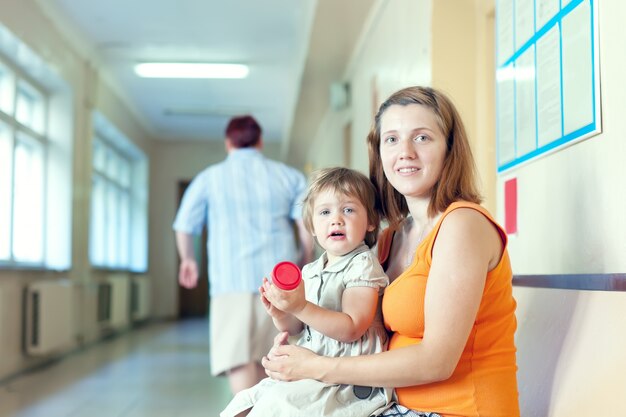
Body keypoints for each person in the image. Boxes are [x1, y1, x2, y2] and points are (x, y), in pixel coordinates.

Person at [262, 86, 520, 417]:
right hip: (389, 405)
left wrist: (318, 367)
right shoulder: (391, 238)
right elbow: (357, 330)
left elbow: (437, 361)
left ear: (449, 149)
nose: (405, 152)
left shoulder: (462, 226)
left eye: (423, 138)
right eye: (392, 139)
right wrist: (292, 329)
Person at [221, 167, 392, 417]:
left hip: (347, 380)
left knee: (274, 406)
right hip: (310, 368)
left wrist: (300, 306)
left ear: (371, 222)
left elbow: (352, 327)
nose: (336, 219)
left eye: (348, 209)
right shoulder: (311, 270)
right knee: (243, 403)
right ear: (311, 226)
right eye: (325, 212)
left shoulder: (362, 265)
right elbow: (298, 328)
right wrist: (283, 313)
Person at [173, 115, 315, 395]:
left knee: (237, 359)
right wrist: (304, 259)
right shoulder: (288, 176)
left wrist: (188, 259)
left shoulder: (209, 178)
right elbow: (305, 225)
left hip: (230, 280)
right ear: (260, 141)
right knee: (273, 356)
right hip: (278, 282)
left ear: (228, 143)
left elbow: (184, 225)